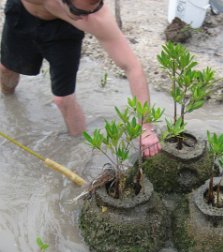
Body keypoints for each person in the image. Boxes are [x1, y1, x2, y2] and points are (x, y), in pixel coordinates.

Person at [0, 0, 160, 158]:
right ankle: (8, 96)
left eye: (93, 7)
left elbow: (133, 67)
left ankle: (80, 150)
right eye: (79, 12)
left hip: (65, 32)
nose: (86, 17)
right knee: (5, 70)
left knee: (63, 99)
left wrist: (146, 128)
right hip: (23, 16)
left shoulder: (95, 17)